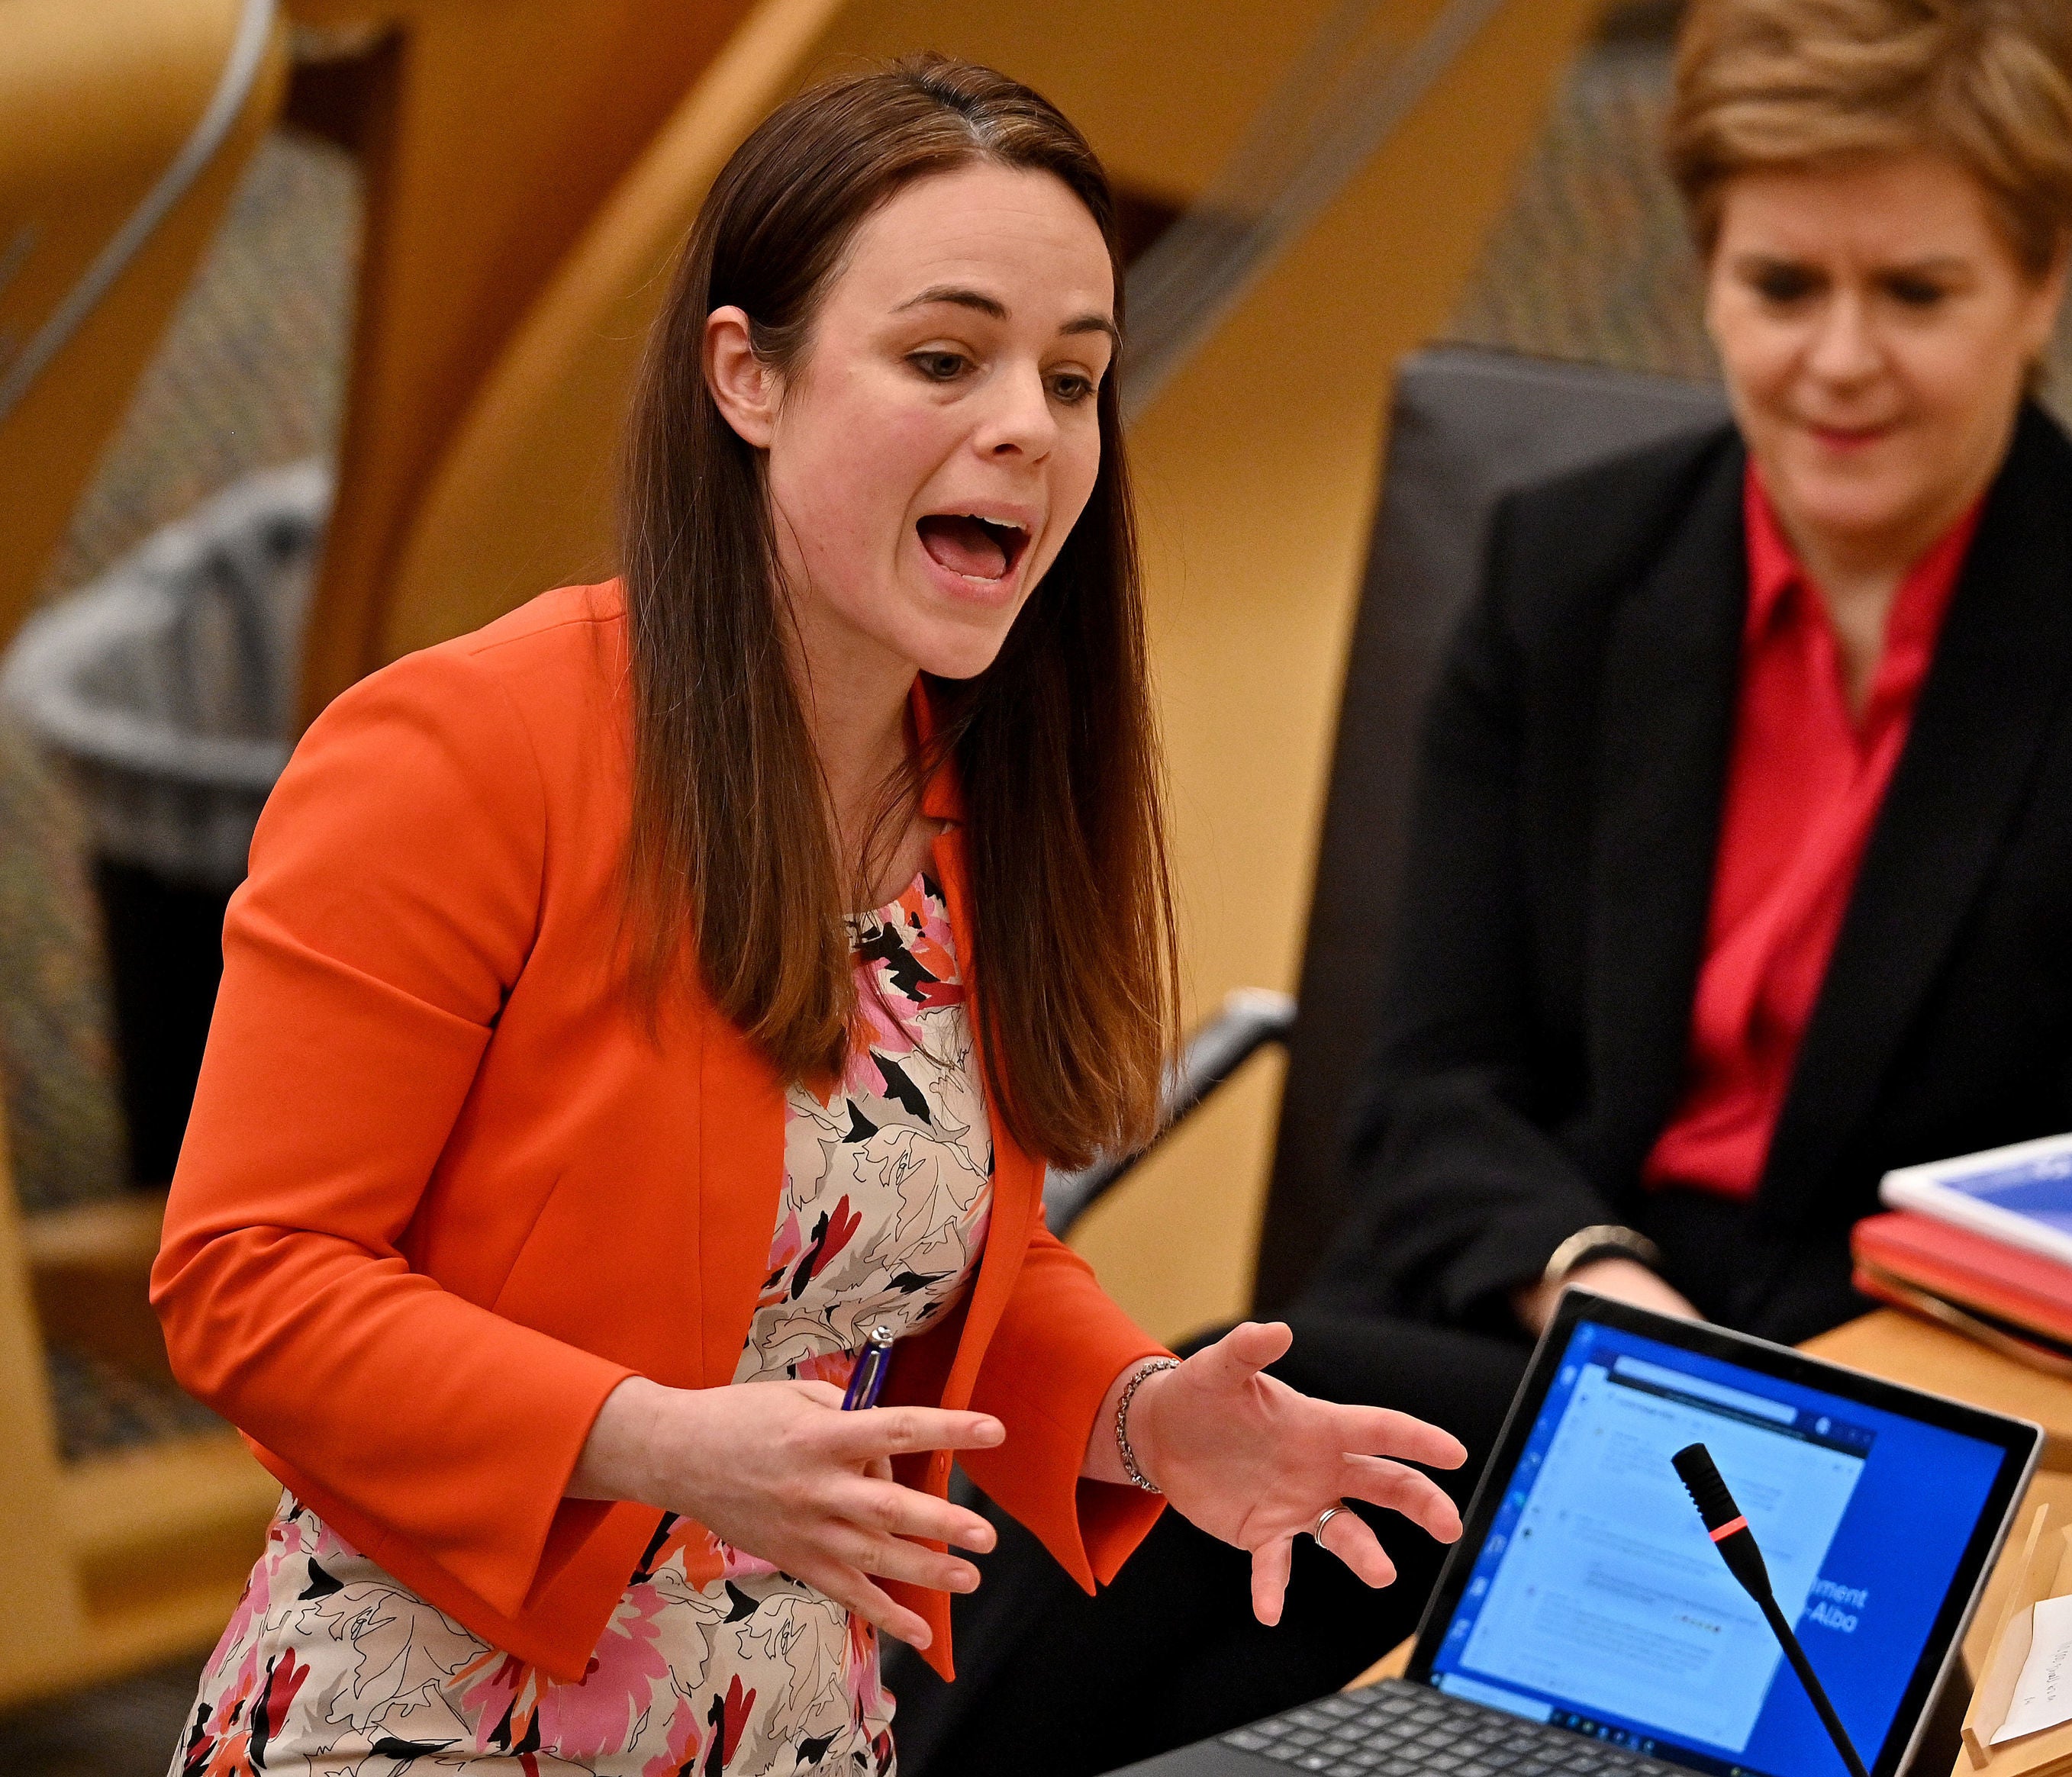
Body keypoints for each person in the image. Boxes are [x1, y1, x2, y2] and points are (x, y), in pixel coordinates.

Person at [890, 0, 2072, 1770]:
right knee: (1208, 1535)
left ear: (2041, 285)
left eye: (1918, 293)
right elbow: (1428, 1084)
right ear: (1711, 280)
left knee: (1241, 1494)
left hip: (1896, 1417)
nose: (1840, 359)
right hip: (1533, 1325)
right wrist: (1607, 1297)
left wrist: (1759, 1387)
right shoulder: (1568, 568)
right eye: (1785, 287)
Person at [150, 59, 1465, 1777]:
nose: (1027, 426)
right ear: (745, 375)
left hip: (796, 1719)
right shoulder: (462, 751)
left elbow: (874, 1235)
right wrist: (650, 1440)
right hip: (431, 1712)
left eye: (1074, 379)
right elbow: (249, 1280)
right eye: (944, 358)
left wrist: (1139, 1414)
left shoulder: (970, 786)